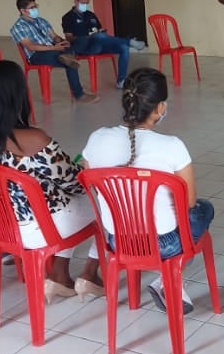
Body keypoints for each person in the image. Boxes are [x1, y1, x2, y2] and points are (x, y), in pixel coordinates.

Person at [0, 60, 103, 302]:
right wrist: (89, 171)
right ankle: (89, 274)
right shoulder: (33, 139)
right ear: (16, 95)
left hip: (0, 223)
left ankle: (59, 276)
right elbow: (74, 183)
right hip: (37, 228)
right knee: (106, 204)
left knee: (68, 204)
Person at [82, 67, 213, 315]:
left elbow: (92, 184)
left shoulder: (97, 138)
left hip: (117, 240)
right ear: (160, 107)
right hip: (163, 244)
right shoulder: (172, 146)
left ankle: (166, 281)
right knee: (204, 209)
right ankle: (168, 278)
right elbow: (188, 202)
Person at [10, 0, 98, 104]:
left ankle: (68, 57)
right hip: (36, 55)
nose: (35, 9)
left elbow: (54, 36)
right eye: (32, 8)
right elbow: (30, 46)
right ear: (23, 11)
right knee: (68, 60)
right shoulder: (18, 27)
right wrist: (53, 47)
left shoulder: (41, 21)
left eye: (36, 6)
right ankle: (79, 94)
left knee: (70, 50)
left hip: (53, 49)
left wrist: (61, 41)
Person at [61, 0, 146, 89]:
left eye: (87, 3)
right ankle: (129, 41)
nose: (85, 5)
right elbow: (69, 38)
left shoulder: (91, 15)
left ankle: (121, 81)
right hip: (84, 47)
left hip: (99, 44)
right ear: (76, 1)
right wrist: (87, 37)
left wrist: (101, 32)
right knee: (98, 36)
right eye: (83, 3)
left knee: (123, 47)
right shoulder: (68, 17)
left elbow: (99, 30)